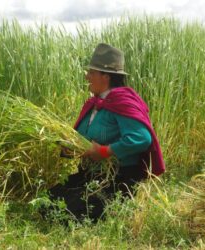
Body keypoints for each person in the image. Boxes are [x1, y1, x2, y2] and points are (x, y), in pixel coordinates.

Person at [46, 43, 165, 222]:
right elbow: (83, 139)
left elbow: (141, 138)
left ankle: (117, 209)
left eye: (91, 72)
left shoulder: (122, 102)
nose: (87, 76)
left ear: (106, 76)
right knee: (47, 202)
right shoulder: (94, 105)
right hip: (92, 176)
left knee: (68, 214)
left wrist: (103, 151)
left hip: (118, 179)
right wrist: (69, 146)